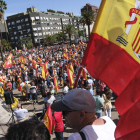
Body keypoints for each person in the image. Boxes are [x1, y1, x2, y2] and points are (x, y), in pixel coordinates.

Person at [51, 89, 116, 140]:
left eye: (65, 112)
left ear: (81, 115)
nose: (63, 116)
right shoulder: (107, 120)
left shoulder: (75, 138)